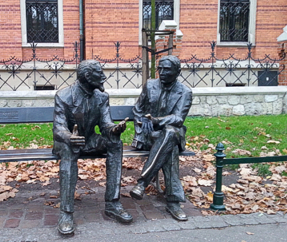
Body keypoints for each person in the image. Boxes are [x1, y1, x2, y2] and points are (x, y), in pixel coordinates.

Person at [53, 59, 133, 235]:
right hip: (66, 141)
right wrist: (69, 137)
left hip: (89, 139)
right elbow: (58, 128)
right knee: (68, 149)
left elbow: (105, 124)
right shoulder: (64, 96)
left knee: (115, 143)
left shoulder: (102, 97)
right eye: (100, 73)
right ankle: (66, 212)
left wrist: (114, 129)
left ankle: (112, 203)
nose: (103, 77)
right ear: (88, 76)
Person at [129, 55, 192, 221]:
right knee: (169, 144)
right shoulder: (150, 85)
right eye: (160, 69)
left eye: (167, 69)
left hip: (169, 133)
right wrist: (142, 125)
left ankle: (142, 183)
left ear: (177, 72)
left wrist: (156, 121)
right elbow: (138, 109)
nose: (162, 72)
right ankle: (174, 202)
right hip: (150, 136)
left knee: (170, 134)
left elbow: (178, 119)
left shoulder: (185, 92)